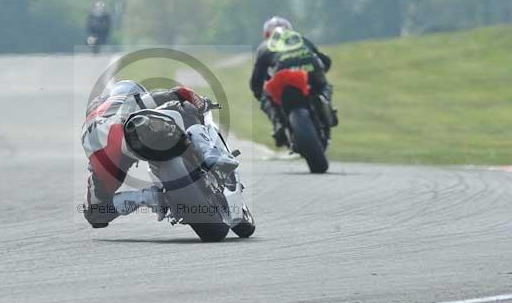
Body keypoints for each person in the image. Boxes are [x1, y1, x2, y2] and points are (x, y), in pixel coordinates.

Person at [81, 80, 238, 228]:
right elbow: (180, 92)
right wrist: (201, 103)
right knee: (183, 107)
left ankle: (148, 197)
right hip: (129, 134)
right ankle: (210, 154)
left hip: (101, 158)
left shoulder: (93, 117)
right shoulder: (129, 100)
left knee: (95, 214)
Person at [249, 16, 337, 147]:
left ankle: (278, 125)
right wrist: (321, 72)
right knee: (324, 86)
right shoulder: (300, 38)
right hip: (310, 71)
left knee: (266, 97)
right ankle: (326, 105)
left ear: (267, 34)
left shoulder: (265, 46)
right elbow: (324, 60)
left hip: (282, 76)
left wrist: (259, 94)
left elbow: (256, 80)